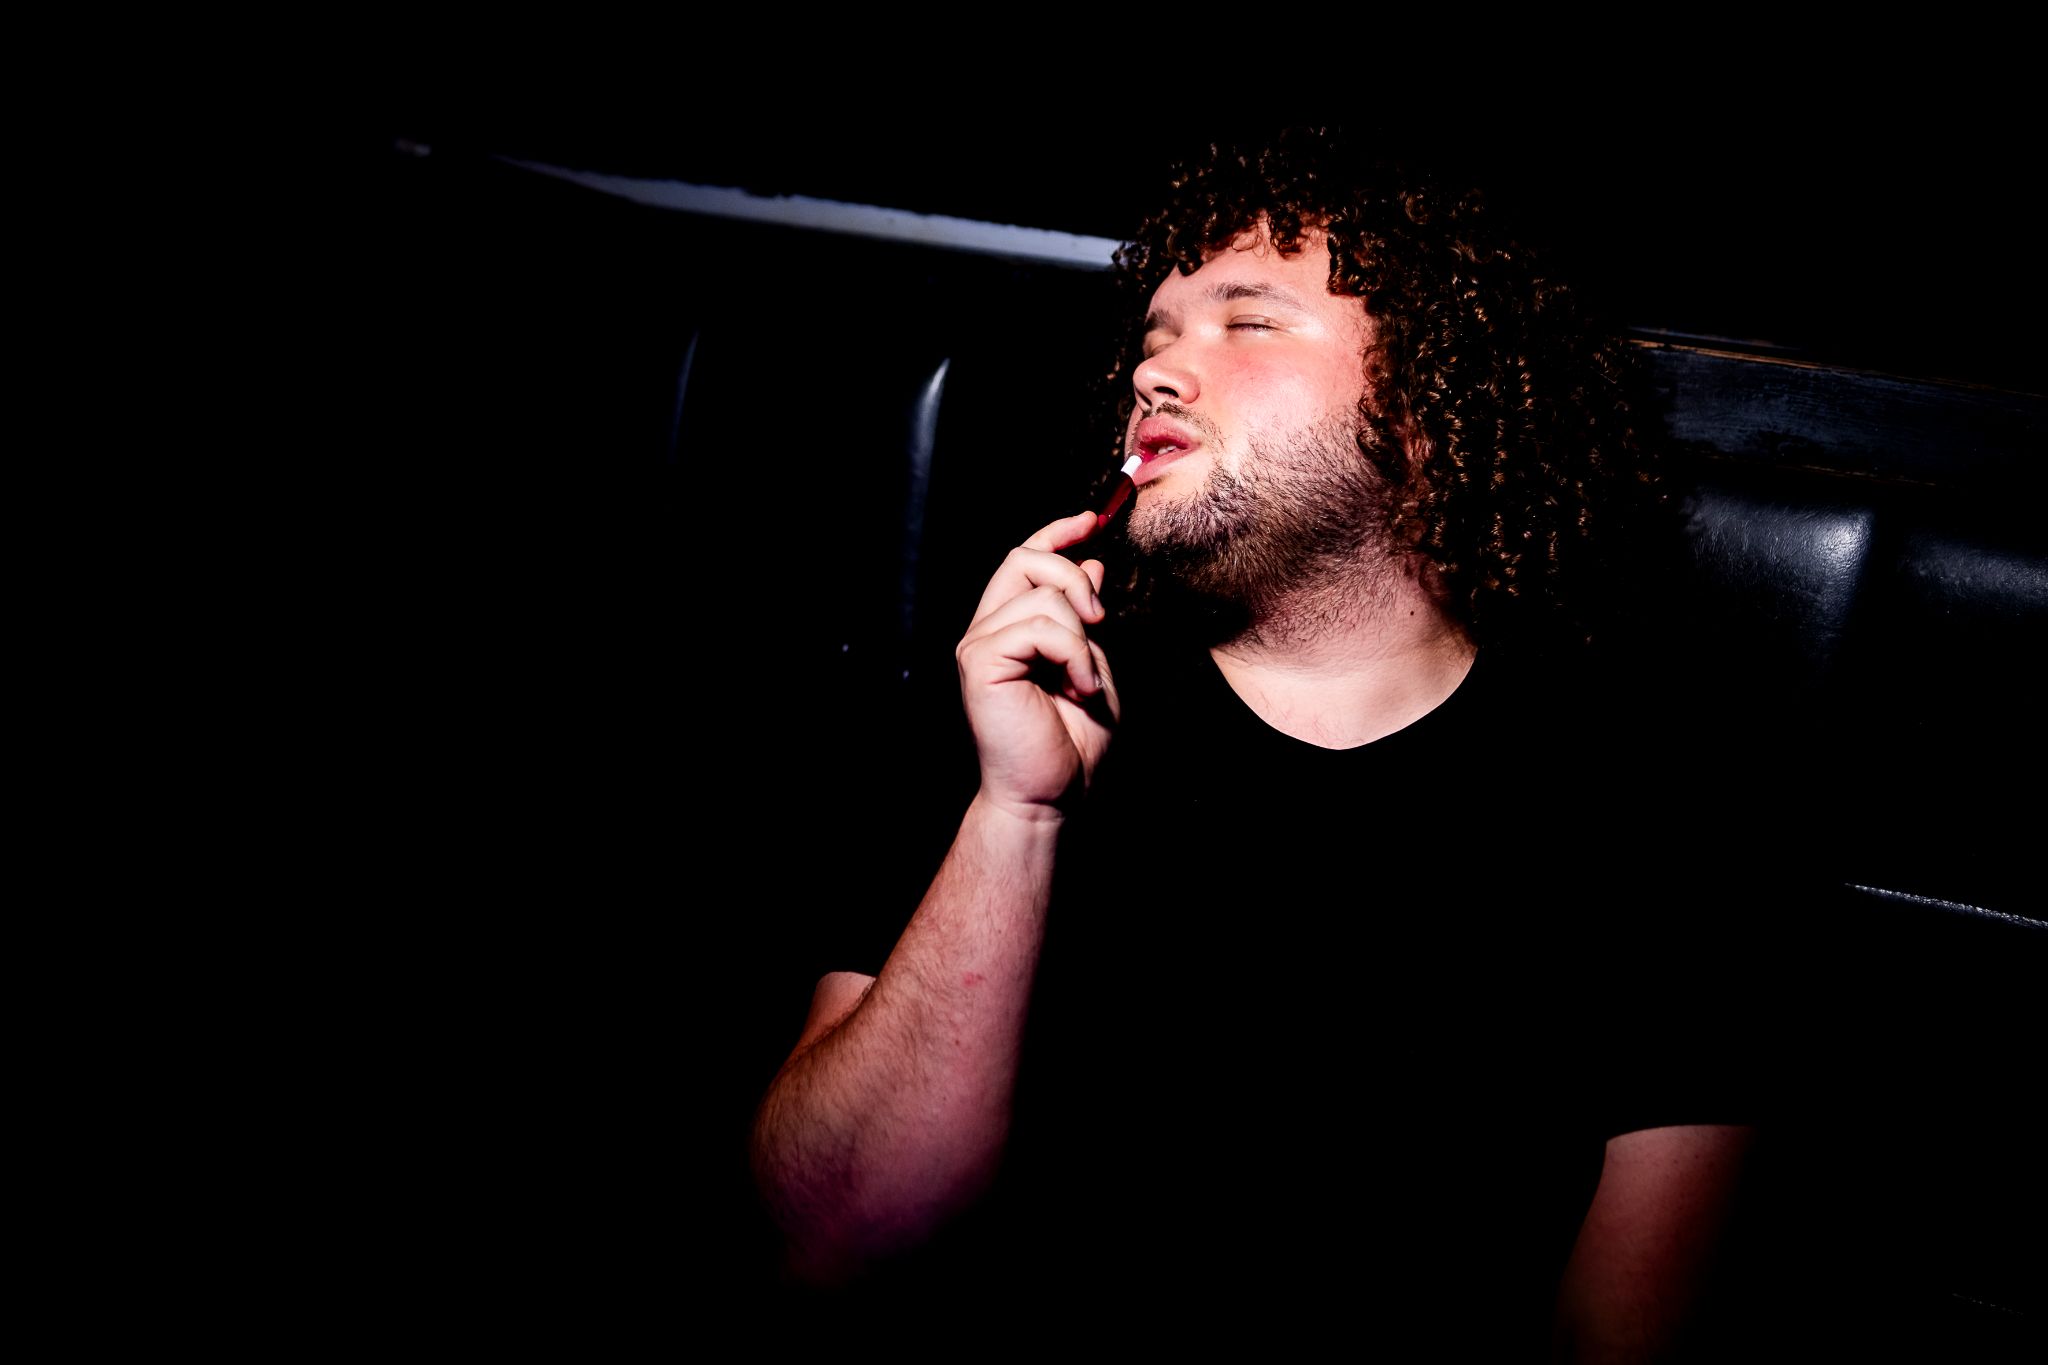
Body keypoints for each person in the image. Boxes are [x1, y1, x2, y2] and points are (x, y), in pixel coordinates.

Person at [751, 129, 1757, 1358]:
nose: (1154, 373)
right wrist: (1015, 816)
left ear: (1426, 404)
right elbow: (831, 1242)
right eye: (1154, 337)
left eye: (1246, 322)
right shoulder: (1009, 710)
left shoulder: (1652, 805)